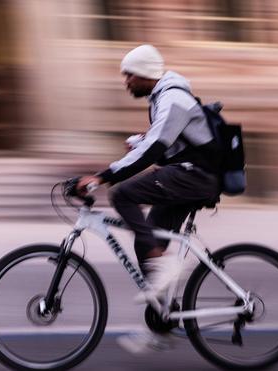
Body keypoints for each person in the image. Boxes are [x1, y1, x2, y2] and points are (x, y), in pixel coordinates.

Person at [76, 44, 220, 353]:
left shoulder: (173, 98)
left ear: (144, 73)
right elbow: (166, 141)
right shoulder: (162, 98)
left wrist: (103, 176)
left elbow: (156, 148)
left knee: (123, 194)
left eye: (128, 74)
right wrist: (140, 141)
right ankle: (163, 322)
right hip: (184, 173)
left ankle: (165, 264)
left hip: (196, 175)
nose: (125, 81)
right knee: (147, 238)